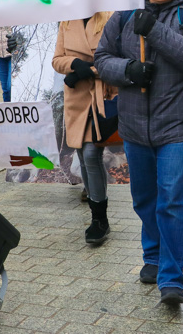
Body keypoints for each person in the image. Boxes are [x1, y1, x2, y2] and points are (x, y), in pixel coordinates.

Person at [94, 0, 183, 305]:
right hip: (134, 125)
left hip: (178, 125)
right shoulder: (124, 15)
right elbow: (102, 59)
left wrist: (156, 31)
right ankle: (153, 254)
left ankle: (171, 277)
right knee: (144, 199)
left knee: (173, 200)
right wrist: (128, 71)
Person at [52, 13, 117, 245]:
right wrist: (74, 65)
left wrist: (88, 70)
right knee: (82, 152)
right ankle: (96, 209)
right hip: (76, 98)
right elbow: (57, 60)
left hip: (103, 93)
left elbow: (119, 58)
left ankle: (99, 218)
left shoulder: (110, 18)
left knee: (91, 154)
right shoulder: (67, 21)